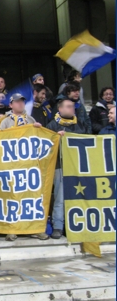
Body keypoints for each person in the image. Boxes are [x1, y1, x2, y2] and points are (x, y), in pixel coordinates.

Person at [0, 93, 45, 242]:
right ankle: (12, 230)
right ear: (11, 105)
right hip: (12, 165)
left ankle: (35, 228)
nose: (20, 104)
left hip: (29, 166)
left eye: (22, 101)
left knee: (32, 197)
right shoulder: (5, 122)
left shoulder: (31, 120)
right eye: (17, 102)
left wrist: (39, 129)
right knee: (12, 197)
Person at [46, 98, 87, 239]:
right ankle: (58, 226)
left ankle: (76, 225)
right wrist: (56, 138)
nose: (72, 109)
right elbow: (47, 146)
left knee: (79, 196)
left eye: (73, 106)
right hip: (60, 166)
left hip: (78, 166)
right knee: (60, 197)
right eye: (68, 106)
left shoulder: (80, 124)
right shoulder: (52, 125)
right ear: (60, 109)